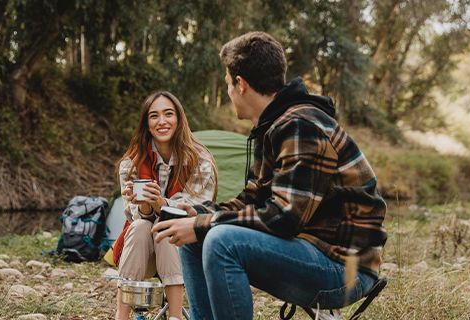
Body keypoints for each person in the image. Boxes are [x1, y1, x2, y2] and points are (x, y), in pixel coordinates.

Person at [152, 32, 388, 320]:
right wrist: (198, 214)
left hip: (345, 269)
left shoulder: (301, 125)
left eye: (227, 84)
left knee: (219, 239)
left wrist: (205, 223)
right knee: (195, 237)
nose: (228, 93)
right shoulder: (273, 126)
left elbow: (285, 217)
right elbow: (251, 199)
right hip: (311, 252)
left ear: (241, 84)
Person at [113, 91, 218, 320]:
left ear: (179, 119)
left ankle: (175, 316)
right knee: (141, 227)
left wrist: (162, 205)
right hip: (145, 253)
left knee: (166, 222)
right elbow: (136, 218)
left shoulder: (200, 162)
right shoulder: (131, 164)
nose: (162, 121)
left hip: (189, 251)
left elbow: (195, 214)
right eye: (154, 116)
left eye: (168, 114)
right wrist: (146, 206)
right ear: (146, 124)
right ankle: (120, 318)